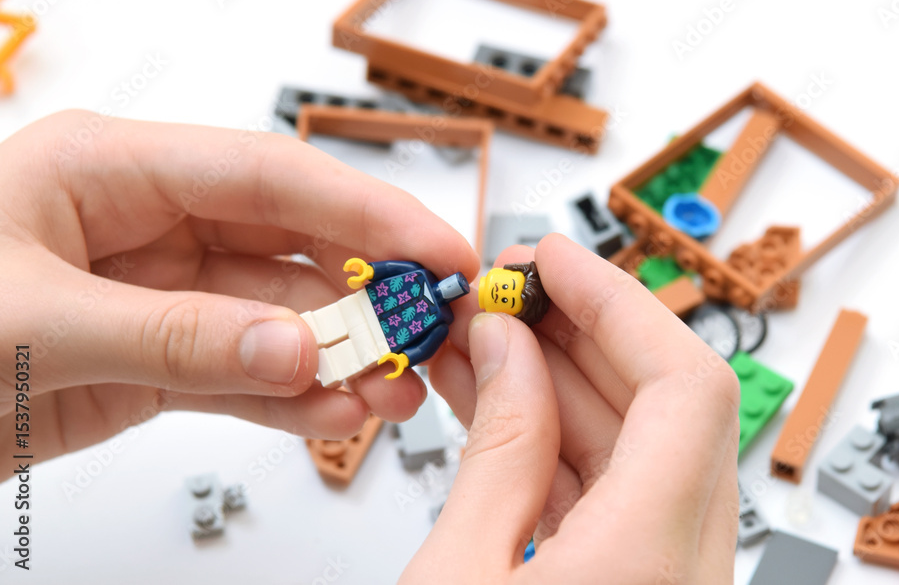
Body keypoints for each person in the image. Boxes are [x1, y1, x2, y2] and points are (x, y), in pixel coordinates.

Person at [0, 110, 740, 583]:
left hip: (377, 334)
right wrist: (363, 281)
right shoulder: (414, 292)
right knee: (326, 350)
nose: (461, 292)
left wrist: (391, 343)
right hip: (365, 321)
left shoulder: (427, 323)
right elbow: (385, 278)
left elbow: (409, 336)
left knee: (342, 356)